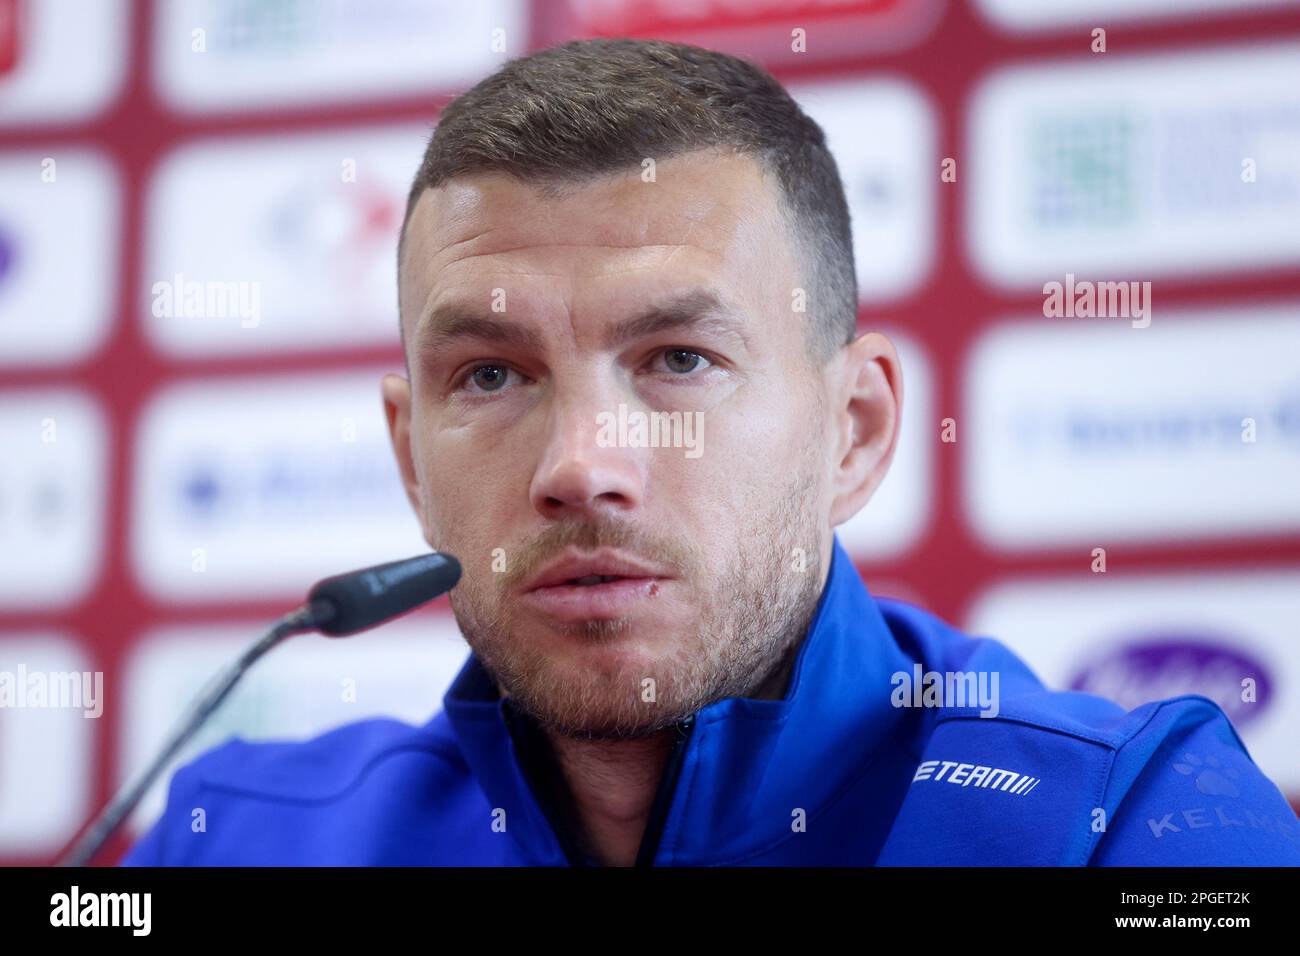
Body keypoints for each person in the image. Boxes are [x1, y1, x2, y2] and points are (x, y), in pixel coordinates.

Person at [121, 38, 1300, 866]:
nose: (581, 465)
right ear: (411, 460)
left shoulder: (1120, 823)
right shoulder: (239, 834)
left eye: (678, 358)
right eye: (491, 373)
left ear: (857, 430)